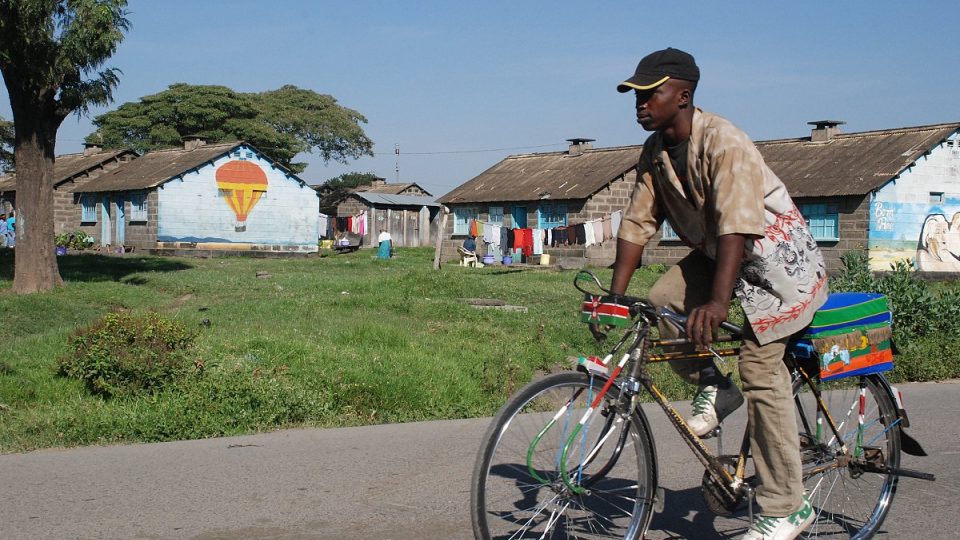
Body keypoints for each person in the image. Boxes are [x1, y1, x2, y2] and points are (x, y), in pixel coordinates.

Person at [612, 48, 826, 539]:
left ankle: (786, 506)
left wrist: (717, 301)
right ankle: (716, 383)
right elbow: (637, 223)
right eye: (636, 94)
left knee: (759, 367)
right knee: (659, 305)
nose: (640, 102)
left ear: (683, 95)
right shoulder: (656, 152)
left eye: (651, 92)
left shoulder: (725, 142)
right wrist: (615, 295)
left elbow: (737, 228)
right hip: (722, 258)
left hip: (776, 269)